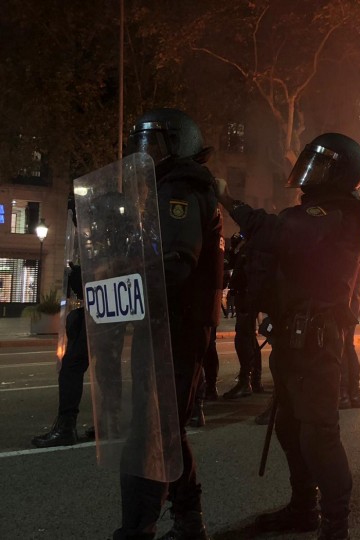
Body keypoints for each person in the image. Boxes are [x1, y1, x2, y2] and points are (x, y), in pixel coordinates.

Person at [215, 132, 360, 540]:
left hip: (318, 340)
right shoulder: (312, 211)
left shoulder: (340, 214)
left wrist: (229, 200)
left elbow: (280, 231)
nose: (308, 175)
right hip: (290, 336)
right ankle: (304, 509)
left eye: (319, 167)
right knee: (288, 427)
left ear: (340, 173)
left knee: (319, 435)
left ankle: (336, 527)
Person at [112, 108, 223, 540]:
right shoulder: (170, 188)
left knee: (151, 435)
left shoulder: (180, 191)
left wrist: (122, 271)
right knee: (167, 431)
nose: (147, 153)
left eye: (154, 143)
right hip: (166, 325)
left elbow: (175, 264)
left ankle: (137, 531)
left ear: (179, 144)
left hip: (175, 328)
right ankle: (189, 520)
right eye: (143, 144)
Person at [31, 263, 88, 448]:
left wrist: (76, 274)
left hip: (103, 308)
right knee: (103, 368)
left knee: (72, 365)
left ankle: (66, 427)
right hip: (100, 307)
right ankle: (109, 422)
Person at [223, 232, 266, 399]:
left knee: (243, 338)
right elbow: (230, 264)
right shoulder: (246, 247)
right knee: (248, 339)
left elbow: (247, 273)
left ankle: (246, 381)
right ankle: (254, 381)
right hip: (245, 296)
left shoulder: (253, 248)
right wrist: (233, 249)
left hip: (247, 296)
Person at [339, 260, 360, 410]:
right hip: (351, 307)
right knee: (348, 346)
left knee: (341, 347)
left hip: (342, 307)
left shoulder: (342, 255)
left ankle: (344, 395)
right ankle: (355, 394)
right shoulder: (354, 255)